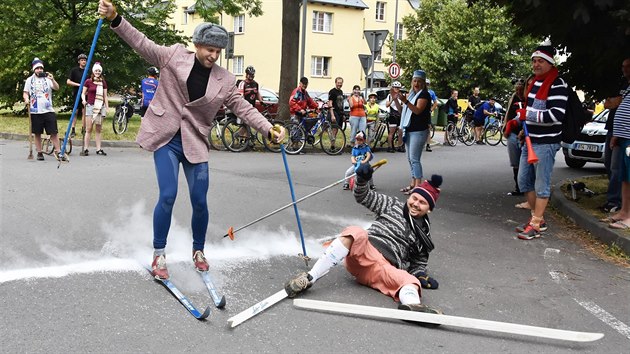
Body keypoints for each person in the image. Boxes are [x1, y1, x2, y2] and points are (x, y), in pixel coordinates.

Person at [98, 0, 285, 279]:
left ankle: (198, 250)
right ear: (197, 45)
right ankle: (159, 254)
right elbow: (142, 43)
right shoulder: (173, 56)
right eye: (210, 49)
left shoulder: (225, 79)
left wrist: (268, 127)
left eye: (218, 51)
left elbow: (243, 108)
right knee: (168, 195)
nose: (214, 55)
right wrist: (116, 19)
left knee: (200, 200)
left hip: (195, 141)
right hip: (166, 138)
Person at [285, 163, 443, 319]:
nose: (415, 204)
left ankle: (414, 308)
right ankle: (310, 278)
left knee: (409, 280)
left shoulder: (424, 236)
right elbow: (364, 196)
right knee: (356, 232)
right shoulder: (392, 205)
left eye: (422, 203)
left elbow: (418, 263)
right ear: (410, 196)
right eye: (414, 198)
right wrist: (363, 179)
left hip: (382, 268)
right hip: (364, 251)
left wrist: (420, 275)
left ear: (429, 209)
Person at [515, 41, 569, 240]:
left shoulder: (558, 83)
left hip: (546, 142)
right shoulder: (535, 82)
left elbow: (556, 115)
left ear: (549, 63)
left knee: (541, 185)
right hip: (530, 140)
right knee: (523, 181)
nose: (536, 65)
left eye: (540, 61)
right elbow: (530, 113)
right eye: (534, 61)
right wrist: (519, 124)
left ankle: (536, 224)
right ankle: (537, 218)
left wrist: (527, 114)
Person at [603, 58, 630, 228]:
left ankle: (629, 217)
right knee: (625, 177)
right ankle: (624, 212)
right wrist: (616, 134)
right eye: (624, 66)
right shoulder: (627, 88)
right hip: (623, 137)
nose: (626, 70)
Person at [23, 58, 65, 161]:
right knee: (37, 132)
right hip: (35, 110)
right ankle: (39, 152)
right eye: (37, 68)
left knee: (53, 132)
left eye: (41, 68)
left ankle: (59, 151)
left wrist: (52, 79)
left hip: (48, 109)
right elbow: (25, 92)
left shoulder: (47, 79)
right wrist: (26, 99)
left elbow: (57, 88)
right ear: (34, 69)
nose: (39, 70)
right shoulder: (29, 80)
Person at [399, 70, 432, 195]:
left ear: (423, 83)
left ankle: (418, 186)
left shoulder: (424, 95)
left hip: (419, 131)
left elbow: (417, 110)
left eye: (419, 81)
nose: (416, 83)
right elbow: (404, 110)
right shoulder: (412, 94)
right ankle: (413, 183)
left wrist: (406, 101)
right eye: (414, 81)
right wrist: (399, 100)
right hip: (409, 129)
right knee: (409, 158)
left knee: (414, 159)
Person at [503, 78, 529, 197]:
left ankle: (527, 188)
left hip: (526, 134)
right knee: (515, 162)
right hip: (513, 134)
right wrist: (505, 127)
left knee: (526, 162)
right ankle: (518, 187)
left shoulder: (529, 99)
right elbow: (508, 113)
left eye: (521, 89)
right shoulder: (513, 98)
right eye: (516, 89)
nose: (518, 92)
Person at [80, 62, 109, 156]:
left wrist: (107, 107)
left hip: (100, 107)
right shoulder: (88, 81)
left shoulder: (103, 82)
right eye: (96, 70)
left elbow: (105, 96)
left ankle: (98, 149)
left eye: (99, 71)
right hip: (90, 106)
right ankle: (86, 148)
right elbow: (83, 93)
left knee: (98, 129)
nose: (98, 72)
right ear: (93, 71)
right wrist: (84, 100)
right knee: (88, 129)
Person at [66, 54, 87, 138]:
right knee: (75, 112)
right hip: (76, 93)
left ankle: (83, 129)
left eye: (85, 60)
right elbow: (68, 81)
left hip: (85, 94)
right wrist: (79, 85)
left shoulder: (88, 71)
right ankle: (73, 129)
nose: (83, 61)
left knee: (84, 112)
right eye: (82, 60)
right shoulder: (74, 70)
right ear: (79, 61)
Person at [386, 81, 404, 153]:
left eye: (398, 88)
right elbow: (387, 105)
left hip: (399, 115)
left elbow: (403, 104)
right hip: (393, 115)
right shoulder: (389, 96)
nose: (396, 89)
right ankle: (390, 146)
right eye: (395, 87)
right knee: (392, 132)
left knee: (400, 132)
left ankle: (400, 146)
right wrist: (393, 99)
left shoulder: (400, 95)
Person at [326, 77, 344, 150]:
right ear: (335, 82)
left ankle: (333, 146)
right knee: (334, 129)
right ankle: (332, 146)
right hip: (334, 113)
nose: (339, 84)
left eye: (341, 83)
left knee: (336, 130)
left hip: (340, 113)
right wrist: (332, 115)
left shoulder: (341, 92)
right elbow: (330, 103)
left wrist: (343, 114)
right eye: (338, 82)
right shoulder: (332, 92)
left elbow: (341, 103)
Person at [425, 79, 438, 152]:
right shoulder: (419, 91)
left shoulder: (431, 92)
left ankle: (428, 145)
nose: (426, 85)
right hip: (419, 112)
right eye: (425, 84)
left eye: (427, 84)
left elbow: (436, 102)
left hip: (427, 112)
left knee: (428, 128)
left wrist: (431, 110)